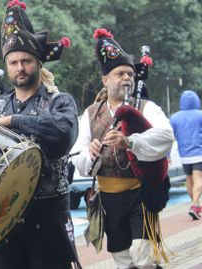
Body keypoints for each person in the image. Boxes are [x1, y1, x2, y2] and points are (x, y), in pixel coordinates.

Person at [0, 1, 80, 268]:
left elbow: (62, 135)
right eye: (13, 62)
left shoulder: (60, 101)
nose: (20, 67)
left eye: (26, 60)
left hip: (48, 215)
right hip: (3, 217)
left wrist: (13, 121)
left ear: (38, 63)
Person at [71, 28, 174, 269]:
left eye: (130, 73)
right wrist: (91, 153)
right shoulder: (90, 114)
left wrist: (131, 142)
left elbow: (165, 137)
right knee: (122, 259)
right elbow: (78, 156)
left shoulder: (147, 107)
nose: (127, 78)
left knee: (144, 257)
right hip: (109, 198)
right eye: (120, 74)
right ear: (105, 79)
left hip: (140, 194)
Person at [170, 90, 202, 220]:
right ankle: (195, 205)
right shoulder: (200, 115)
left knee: (189, 179)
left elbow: (169, 137)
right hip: (199, 153)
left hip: (184, 154)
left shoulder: (174, 118)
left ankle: (196, 206)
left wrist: (167, 155)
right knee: (199, 178)